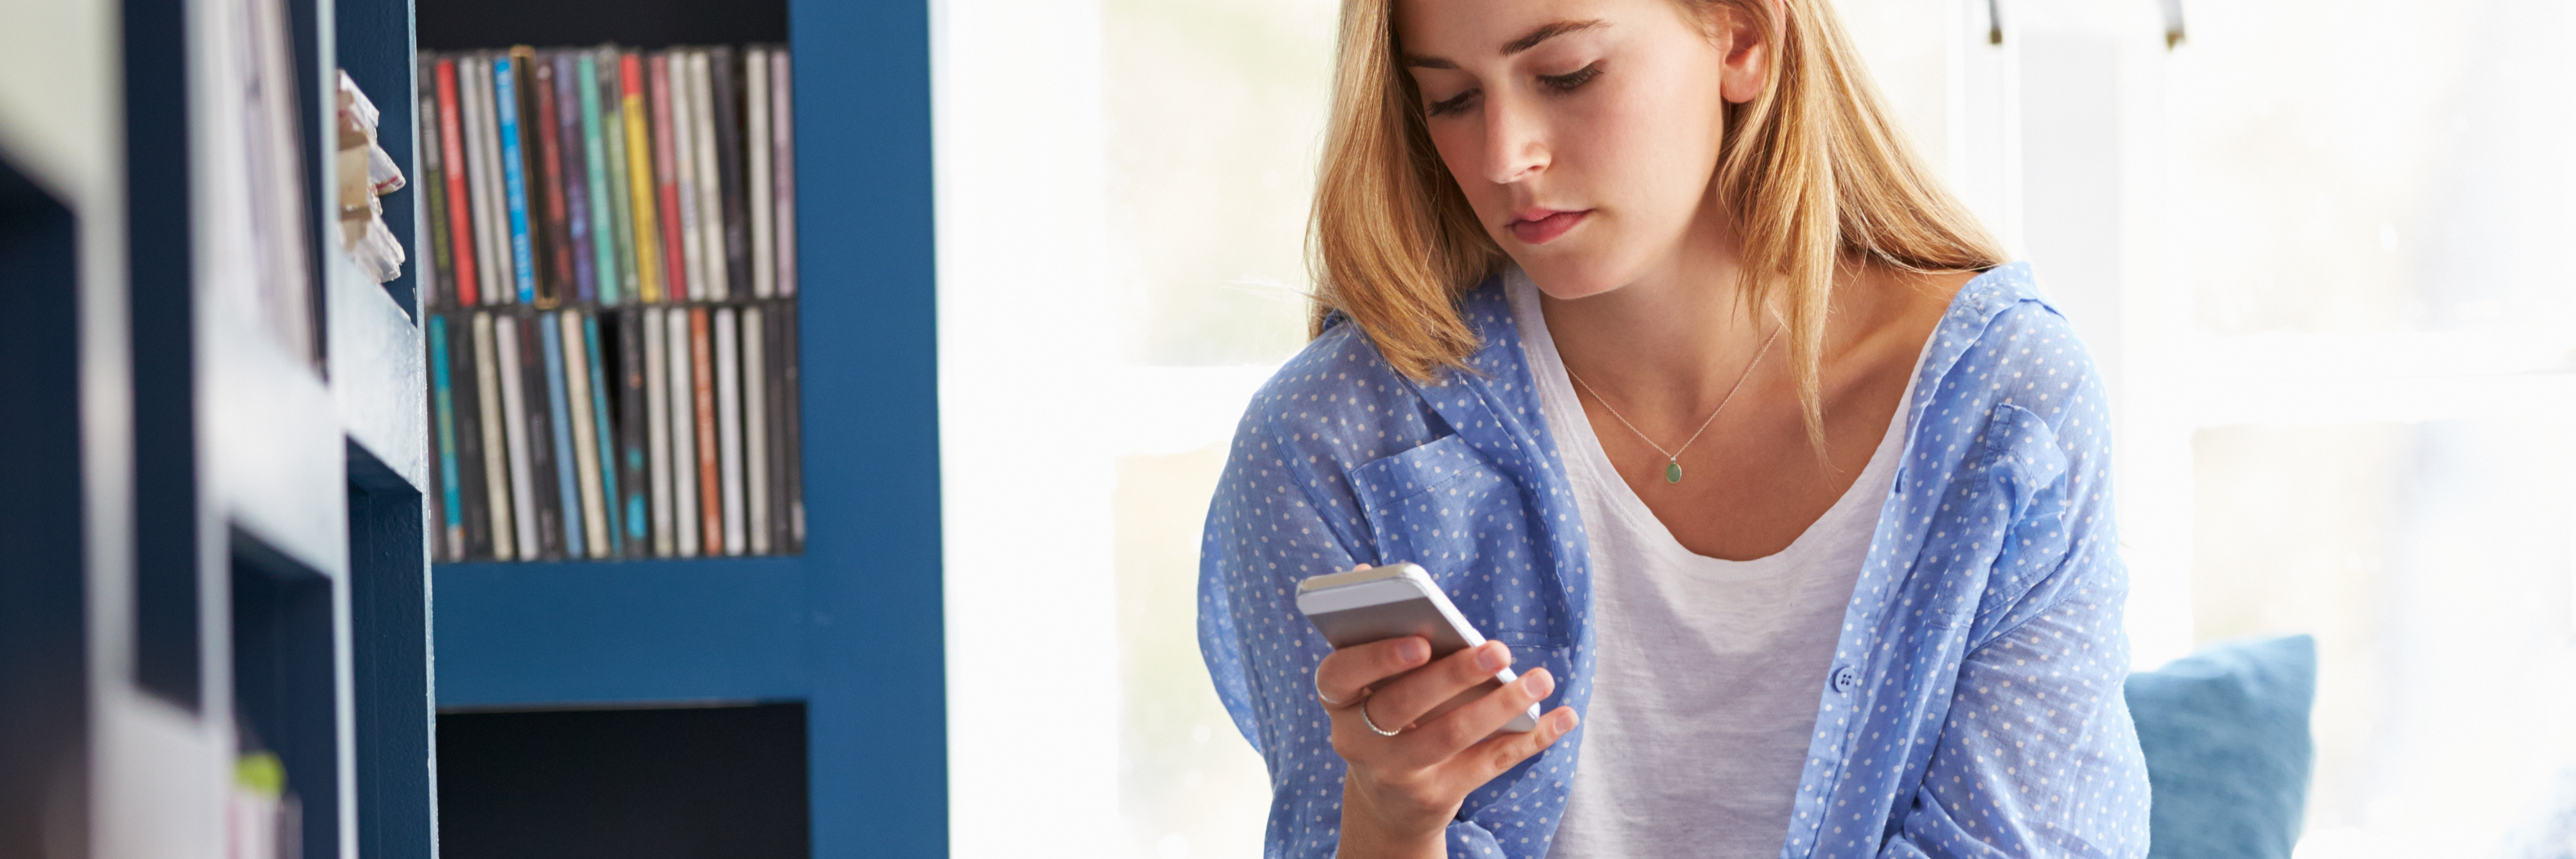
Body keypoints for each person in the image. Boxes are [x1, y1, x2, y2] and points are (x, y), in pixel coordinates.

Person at [1195, 0, 2152, 856]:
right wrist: (1392, 827)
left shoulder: (2004, 407)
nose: (1505, 156)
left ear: (1740, 37)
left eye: (1565, 74)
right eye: (1449, 100)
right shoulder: (1333, 442)